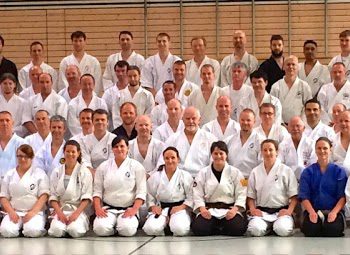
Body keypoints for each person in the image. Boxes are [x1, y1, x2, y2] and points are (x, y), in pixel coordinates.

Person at [93, 136, 147, 236]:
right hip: (108, 208)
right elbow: (97, 191)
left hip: (128, 209)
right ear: (112, 149)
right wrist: (98, 208)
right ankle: (113, 229)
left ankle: (119, 226)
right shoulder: (103, 166)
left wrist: (134, 209)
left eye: (122, 146)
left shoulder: (136, 166)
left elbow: (141, 192)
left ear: (127, 148)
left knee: (127, 230)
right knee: (100, 229)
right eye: (116, 146)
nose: (119, 149)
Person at [192, 141, 247, 236]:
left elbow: (242, 192)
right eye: (215, 153)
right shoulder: (203, 173)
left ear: (226, 155)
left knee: (239, 228)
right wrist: (202, 209)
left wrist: (235, 209)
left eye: (221, 153)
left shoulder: (236, 172)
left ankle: (217, 228)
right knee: (198, 229)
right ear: (211, 155)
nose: (218, 156)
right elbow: (197, 193)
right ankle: (219, 228)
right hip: (210, 210)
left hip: (229, 210)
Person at [247, 139, 298, 237]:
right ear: (261, 152)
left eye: (271, 150)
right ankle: (268, 228)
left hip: (281, 212)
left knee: (282, 230)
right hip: (262, 212)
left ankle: (273, 227)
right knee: (255, 230)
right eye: (265, 150)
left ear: (277, 152)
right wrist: (253, 210)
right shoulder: (255, 171)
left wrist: (289, 211)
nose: (268, 153)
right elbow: (250, 196)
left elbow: (294, 196)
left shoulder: (286, 170)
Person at [300, 137, 347, 237]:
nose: (322, 151)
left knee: (332, 230)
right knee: (311, 230)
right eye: (319, 148)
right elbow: (304, 196)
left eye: (325, 148)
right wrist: (312, 212)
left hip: (334, 210)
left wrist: (334, 212)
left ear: (331, 149)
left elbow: (343, 197)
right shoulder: (308, 172)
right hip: (314, 210)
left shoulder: (339, 171)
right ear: (315, 150)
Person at [0, 144, 49, 237]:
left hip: (34, 212)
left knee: (33, 231)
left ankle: (27, 227)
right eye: (20, 156)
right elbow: (3, 196)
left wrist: (32, 212)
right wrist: (10, 212)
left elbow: (44, 196)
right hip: (15, 212)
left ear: (32, 157)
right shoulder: (10, 174)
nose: (22, 159)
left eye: (26, 157)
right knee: (6, 231)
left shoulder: (39, 173)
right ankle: (19, 227)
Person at [143, 147, 193, 236]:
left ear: (178, 159)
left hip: (179, 209)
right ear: (163, 159)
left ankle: (170, 225)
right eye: (167, 158)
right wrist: (153, 207)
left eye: (173, 158)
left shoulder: (185, 176)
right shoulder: (156, 176)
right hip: (161, 209)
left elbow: (191, 196)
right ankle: (166, 226)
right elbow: (150, 195)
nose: (170, 161)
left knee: (180, 230)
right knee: (150, 229)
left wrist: (181, 207)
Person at [48, 140, 93, 238]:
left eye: (73, 152)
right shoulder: (57, 171)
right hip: (61, 210)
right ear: (63, 152)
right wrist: (59, 213)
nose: (70, 154)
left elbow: (87, 197)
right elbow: (53, 196)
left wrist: (76, 214)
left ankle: (76, 224)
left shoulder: (84, 172)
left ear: (78, 153)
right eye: (68, 151)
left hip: (78, 211)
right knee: (57, 231)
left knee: (74, 230)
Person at [164, 107, 217, 177]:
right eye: (188, 119)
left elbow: (215, 163)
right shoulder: (173, 139)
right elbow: (164, 162)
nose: (191, 121)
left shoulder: (210, 139)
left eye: (193, 118)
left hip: (203, 178)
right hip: (179, 179)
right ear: (182, 120)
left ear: (199, 120)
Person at [270, 55, 312, 124]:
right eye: (288, 64)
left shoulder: (304, 86)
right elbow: (272, 108)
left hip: (300, 124)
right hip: (281, 125)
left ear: (298, 67)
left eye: (293, 64)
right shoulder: (276, 86)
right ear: (283, 67)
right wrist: (282, 124)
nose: (291, 67)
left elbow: (308, 106)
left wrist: (300, 123)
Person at [225, 109, 261, 178]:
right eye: (242, 120)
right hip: (232, 180)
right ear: (239, 120)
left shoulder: (260, 141)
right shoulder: (229, 140)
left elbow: (262, 165)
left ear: (254, 122)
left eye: (248, 120)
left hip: (251, 180)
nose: (245, 122)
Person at [0, 111, 25, 179]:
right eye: (1, 121)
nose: (4, 123)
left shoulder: (22, 143)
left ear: (12, 123)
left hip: (14, 184)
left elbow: (25, 167)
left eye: (7, 120)